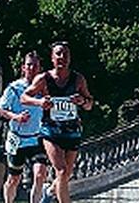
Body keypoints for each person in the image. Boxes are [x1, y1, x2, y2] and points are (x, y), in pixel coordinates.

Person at [22, 42, 94, 203]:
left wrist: (82, 101)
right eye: (58, 54)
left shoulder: (78, 79)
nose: (62, 57)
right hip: (51, 130)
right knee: (60, 171)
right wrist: (40, 103)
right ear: (52, 58)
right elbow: (24, 97)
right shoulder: (44, 78)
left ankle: (49, 192)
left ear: (70, 58)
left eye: (65, 54)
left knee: (67, 174)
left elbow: (90, 103)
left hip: (72, 130)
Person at [0, 52, 48, 203]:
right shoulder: (14, 88)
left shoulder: (43, 88)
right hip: (17, 139)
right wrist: (16, 117)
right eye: (29, 65)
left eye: (35, 66)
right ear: (23, 68)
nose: (32, 68)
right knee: (14, 178)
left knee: (40, 173)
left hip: (36, 137)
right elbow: (0, 109)